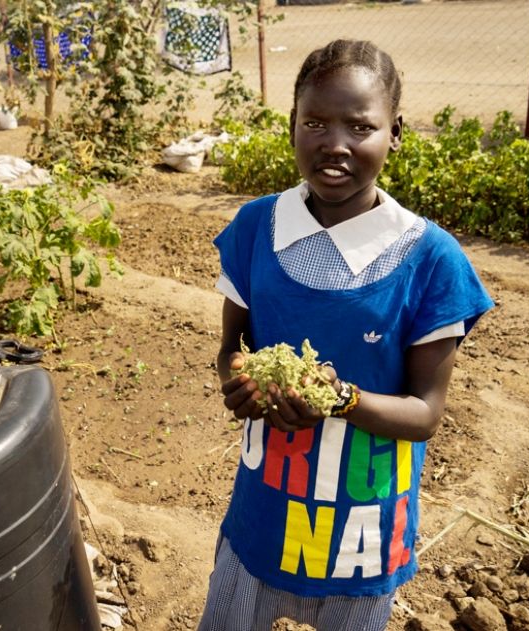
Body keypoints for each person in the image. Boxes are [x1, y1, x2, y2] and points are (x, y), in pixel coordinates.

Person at [198, 39, 494, 631]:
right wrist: (241, 383)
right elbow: (233, 352)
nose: (335, 145)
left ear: (395, 133)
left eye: (361, 126)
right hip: (265, 510)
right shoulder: (258, 228)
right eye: (315, 122)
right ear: (292, 125)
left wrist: (341, 400)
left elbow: (426, 412)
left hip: (364, 525)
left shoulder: (429, 259)